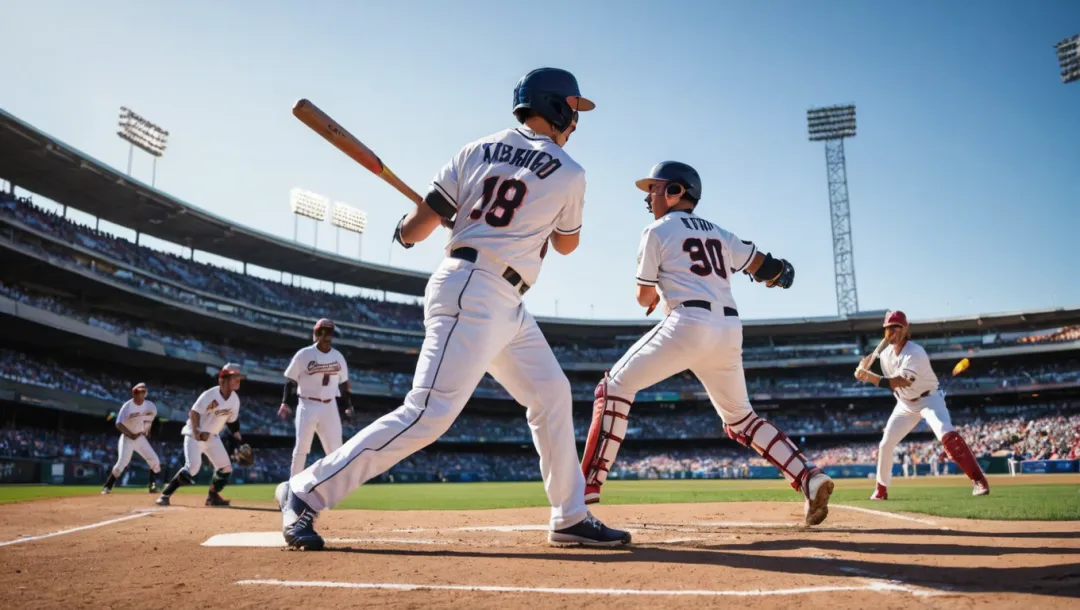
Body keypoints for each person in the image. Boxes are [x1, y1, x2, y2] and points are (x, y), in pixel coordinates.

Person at [276, 67, 630, 550]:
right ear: (553, 106)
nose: (574, 121)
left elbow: (418, 227)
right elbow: (565, 246)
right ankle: (304, 492)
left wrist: (403, 230)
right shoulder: (570, 172)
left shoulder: (474, 150)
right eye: (572, 109)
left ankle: (569, 515)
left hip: (496, 296)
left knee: (551, 393)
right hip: (477, 292)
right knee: (428, 413)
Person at [578, 161, 835, 527]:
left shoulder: (656, 230)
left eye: (655, 188)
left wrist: (654, 295)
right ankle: (809, 476)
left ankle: (582, 489)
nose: (649, 196)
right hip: (728, 328)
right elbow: (765, 266)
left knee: (613, 388)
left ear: (676, 191)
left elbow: (642, 297)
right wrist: (779, 273)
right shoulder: (718, 232)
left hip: (688, 322)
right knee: (741, 420)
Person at [855, 310, 990, 499]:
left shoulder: (915, 352)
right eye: (888, 328)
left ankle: (979, 480)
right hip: (904, 404)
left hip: (929, 400)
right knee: (885, 444)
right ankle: (881, 488)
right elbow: (870, 360)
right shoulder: (885, 354)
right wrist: (862, 366)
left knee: (948, 435)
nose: (892, 331)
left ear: (905, 329)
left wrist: (868, 376)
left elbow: (900, 381)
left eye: (896, 327)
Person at [155, 364, 247, 507]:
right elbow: (194, 412)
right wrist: (197, 431)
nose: (238, 380)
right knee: (192, 468)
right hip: (194, 434)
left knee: (225, 468)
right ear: (224, 380)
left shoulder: (235, 400)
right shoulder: (211, 395)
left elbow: (233, 422)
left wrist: (239, 442)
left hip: (212, 436)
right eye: (235, 378)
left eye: (238, 378)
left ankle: (212, 497)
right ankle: (165, 495)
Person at [279, 318, 353, 477]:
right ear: (317, 334)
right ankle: (293, 489)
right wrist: (285, 402)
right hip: (307, 404)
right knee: (301, 449)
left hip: (330, 405)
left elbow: (344, 383)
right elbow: (290, 380)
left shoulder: (338, 356)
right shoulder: (304, 354)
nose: (326, 335)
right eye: (323, 332)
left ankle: (333, 488)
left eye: (329, 332)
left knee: (335, 450)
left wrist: (348, 404)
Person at [101, 383, 162, 494]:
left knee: (155, 460)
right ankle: (107, 486)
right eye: (139, 392)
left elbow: (149, 419)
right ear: (134, 394)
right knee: (122, 463)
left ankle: (152, 485)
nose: (142, 394)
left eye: (143, 392)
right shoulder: (127, 406)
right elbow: (118, 424)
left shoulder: (150, 406)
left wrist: (147, 429)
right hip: (127, 438)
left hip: (140, 437)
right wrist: (130, 434)